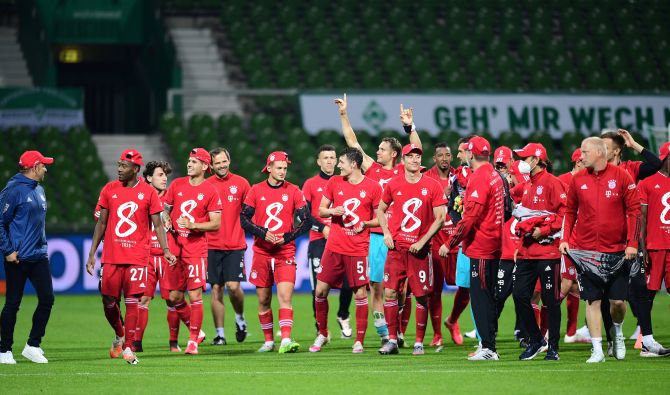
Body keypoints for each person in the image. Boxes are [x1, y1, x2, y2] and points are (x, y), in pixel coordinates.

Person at [335, 93, 422, 346]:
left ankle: (400, 330)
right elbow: (352, 141)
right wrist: (343, 114)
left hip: (401, 235)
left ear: (395, 154)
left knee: (402, 288)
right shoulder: (371, 168)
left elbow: (417, 149)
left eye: (382, 149)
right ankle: (383, 329)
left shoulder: (404, 170)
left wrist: (409, 127)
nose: (377, 151)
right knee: (376, 285)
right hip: (376, 236)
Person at [85, 149, 176, 364]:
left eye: (123, 166)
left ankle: (129, 347)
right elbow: (102, 223)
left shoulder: (148, 193)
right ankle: (120, 334)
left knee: (133, 300)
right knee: (108, 301)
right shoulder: (109, 189)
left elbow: (158, 225)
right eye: (118, 165)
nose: (118, 169)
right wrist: (91, 254)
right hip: (111, 256)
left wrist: (165, 250)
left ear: (135, 169)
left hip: (137, 256)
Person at [559, 137, 640, 363]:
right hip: (585, 252)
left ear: (598, 153)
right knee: (592, 301)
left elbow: (634, 211)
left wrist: (632, 242)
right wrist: (565, 239)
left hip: (617, 252)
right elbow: (569, 211)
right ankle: (597, 350)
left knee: (618, 303)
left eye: (584, 152)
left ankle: (618, 333)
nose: (580, 156)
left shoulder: (622, 176)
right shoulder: (578, 180)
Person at [309, 147, 382, 353]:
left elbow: (380, 218)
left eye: (341, 162)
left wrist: (366, 225)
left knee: (360, 294)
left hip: (357, 248)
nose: (337, 165)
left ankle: (359, 340)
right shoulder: (334, 182)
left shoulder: (373, 187)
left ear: (354, 165)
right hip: (333, 246)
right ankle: (322, 333)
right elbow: (321, 209)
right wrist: (332, 211)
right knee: (321, 291)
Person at [377, 144, 447, 355]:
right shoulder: (393, 184)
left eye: (418, 157)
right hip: (397, 249)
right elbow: (380, 210)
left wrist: (423, 241)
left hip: (420, 252)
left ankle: (418, 342)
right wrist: (387, 233)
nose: (415, 160)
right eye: (410, 156)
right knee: (389, 293)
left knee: (421, 296)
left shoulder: (432, 185)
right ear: (403, 160)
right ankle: (391, 340)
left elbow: (441, 218)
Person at [240, 151, 311, 353]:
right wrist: (263, 233)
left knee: (285, 297)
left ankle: (286, 340)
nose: (282, 172)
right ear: (269, 168)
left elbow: (306, 221)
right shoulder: (255, 190)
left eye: (285, 168)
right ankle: (269, 341)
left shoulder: (294, 190)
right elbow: (243, 219)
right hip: (261, 252)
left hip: (285, 252)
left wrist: (287, 237)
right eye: (279, 168)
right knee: (263, 299)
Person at [599, 129, 662, 352]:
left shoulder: (630, 169)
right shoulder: (596, 172)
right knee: (610, 298)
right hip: (605, 243)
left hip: (630, 243)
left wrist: (634, 144)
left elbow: (656, 164)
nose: (600, 150)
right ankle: (611, 339)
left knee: (639, 291)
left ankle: (647, 340)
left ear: (616, 151)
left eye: (604, 146)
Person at [447, 136, 504, 361]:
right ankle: (488, 345)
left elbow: (470, 218)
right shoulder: (494, 175)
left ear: (471, 154)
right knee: (488, 296)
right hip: (494, 244)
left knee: (481, 298)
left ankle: (488, 348)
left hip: (481, 246)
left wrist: (449, 242)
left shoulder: (480, 177)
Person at [162, 148, 222, 355]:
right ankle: (198, 333)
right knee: (175, 297)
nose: (189, 164)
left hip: (196, 250)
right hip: (175, 248)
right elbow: (163, 210)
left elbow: (215, 224)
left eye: (194, 162)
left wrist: (193, 224)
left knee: (195, 294)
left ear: (205, 166)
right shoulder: (177, 184)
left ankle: (192, 341)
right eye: (189, 161)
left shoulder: (211, 191)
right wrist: (166, 220)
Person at [512, 143, 567, 361]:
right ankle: (536, 340)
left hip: (547, 253)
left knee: (551, 301)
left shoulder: (553, 183)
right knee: (519, 295)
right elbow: (525, 220)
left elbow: (564, 216)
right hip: (526, 252)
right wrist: (519, 247)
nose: (521, 162)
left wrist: (543, 230)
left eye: (525, 158)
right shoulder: (526, 185)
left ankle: (553, 348)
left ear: (536, 160)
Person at [0, 151, 55, 364]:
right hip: (18, 257)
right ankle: (4, 350)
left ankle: (33, 345)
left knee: (47, 299)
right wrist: (7, 250)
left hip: (39, 255)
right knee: (13, 303)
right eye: (43, 165)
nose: (46, 169)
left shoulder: (39, 189)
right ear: (34, 167)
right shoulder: (13, 190)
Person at [302, 144, 353, 339]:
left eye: (333, 157)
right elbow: (303, 216)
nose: (330, 161)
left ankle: (343, 314)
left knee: (350, 282)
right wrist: (322, 228)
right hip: (319, 241)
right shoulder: (310, 184)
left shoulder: (346, 181)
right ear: (318, 161)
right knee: (318, 288)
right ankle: (320, 328)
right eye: (326, 158)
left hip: (344, 239)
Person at [206, 147, 250, 345]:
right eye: (217, 163)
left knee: (233, 287)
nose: (222, 166)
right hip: (210, 245)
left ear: (229, 161)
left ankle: (240, 319)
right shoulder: (206, 186)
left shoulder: (241, 183)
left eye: (224, 162)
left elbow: (251, 211)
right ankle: (220, 334)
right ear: (211, 165)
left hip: (234, 244)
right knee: (216, 288)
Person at [425, 143, 465, 346]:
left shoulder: (461, 176)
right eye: (440, 155)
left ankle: (453, 321)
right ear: (434, 158)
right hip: (437, 241)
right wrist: (443, 193)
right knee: (434, 291)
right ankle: (437, 334)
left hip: (459, 240)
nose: (444, 158)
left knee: (466, 287)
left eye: (448, 155)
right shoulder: (427, 179)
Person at [134, 160, 173, 352]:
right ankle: (136, 342)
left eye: (166, 174)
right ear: (148, 178)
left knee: (173, 298)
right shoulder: (139, 196)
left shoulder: (172, 199)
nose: (165, 178)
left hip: (167, 256)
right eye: (160, 174)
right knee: (143, 299)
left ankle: (175, 342)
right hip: (146, 256)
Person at [636, 141, 670, 357]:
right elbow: (642, 219)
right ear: (666, 158)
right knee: (648, 294)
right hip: (655, 247)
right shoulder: (648, 183)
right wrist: (643, 248)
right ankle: (645, 340)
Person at [557, 148, 586, 344]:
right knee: (566, 284)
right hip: (566, 239)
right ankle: (546, 327)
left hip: (585, 240)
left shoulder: (591, 181)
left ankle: (571, 332)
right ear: (577, 162)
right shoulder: (562, 180)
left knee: (575, 287)